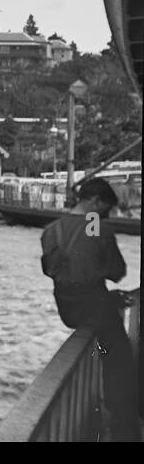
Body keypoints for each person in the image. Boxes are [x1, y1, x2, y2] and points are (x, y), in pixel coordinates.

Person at [40, 177, 139, 441]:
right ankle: (123, 429)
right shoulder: (96, 227)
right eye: (105, 209)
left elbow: (60, 269)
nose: (105, 215)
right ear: (95, 202)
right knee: (120, 359)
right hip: (94, 308)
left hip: (67, 309)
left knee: (106, 302)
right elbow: (116, 271)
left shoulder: (52, 229)